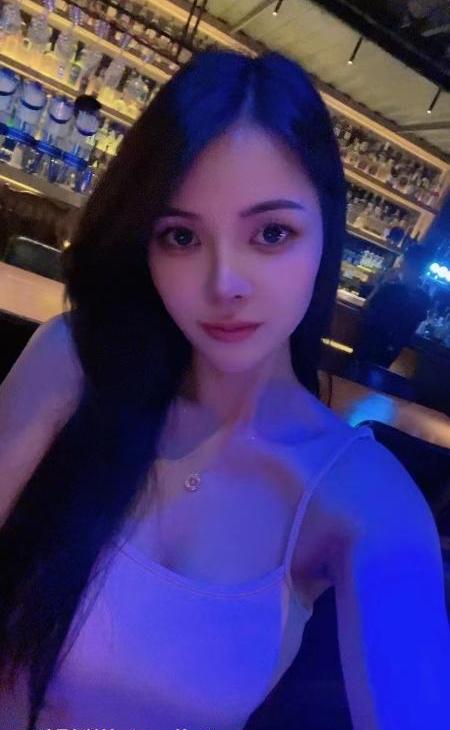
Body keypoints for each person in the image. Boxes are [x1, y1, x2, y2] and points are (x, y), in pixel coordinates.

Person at [0, 50, 448, 730]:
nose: (224, 283)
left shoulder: (363, 501)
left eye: (271, 233)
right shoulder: (77, 362)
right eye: (181, 236)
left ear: (325, 234)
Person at [353, 245, 433, 368]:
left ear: (405, 263)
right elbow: (413, 329)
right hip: (392, 351)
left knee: (354, 372)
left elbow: (366, 308)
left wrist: (383, 282)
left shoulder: (390, 288)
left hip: (368, 344)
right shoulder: (424, 298)